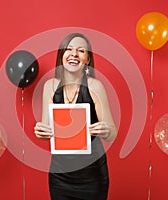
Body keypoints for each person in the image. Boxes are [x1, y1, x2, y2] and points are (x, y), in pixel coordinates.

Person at [34, 33, 117, 200]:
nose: (74, 54)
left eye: (81, 50)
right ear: (61, 55)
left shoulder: (95, 86)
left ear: (87, 60)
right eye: (69, 49)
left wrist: (105, 130)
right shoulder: (50, 86)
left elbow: (112, 134)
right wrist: (41, 131)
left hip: (92, 176)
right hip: (60, 175)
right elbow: (46, 132)